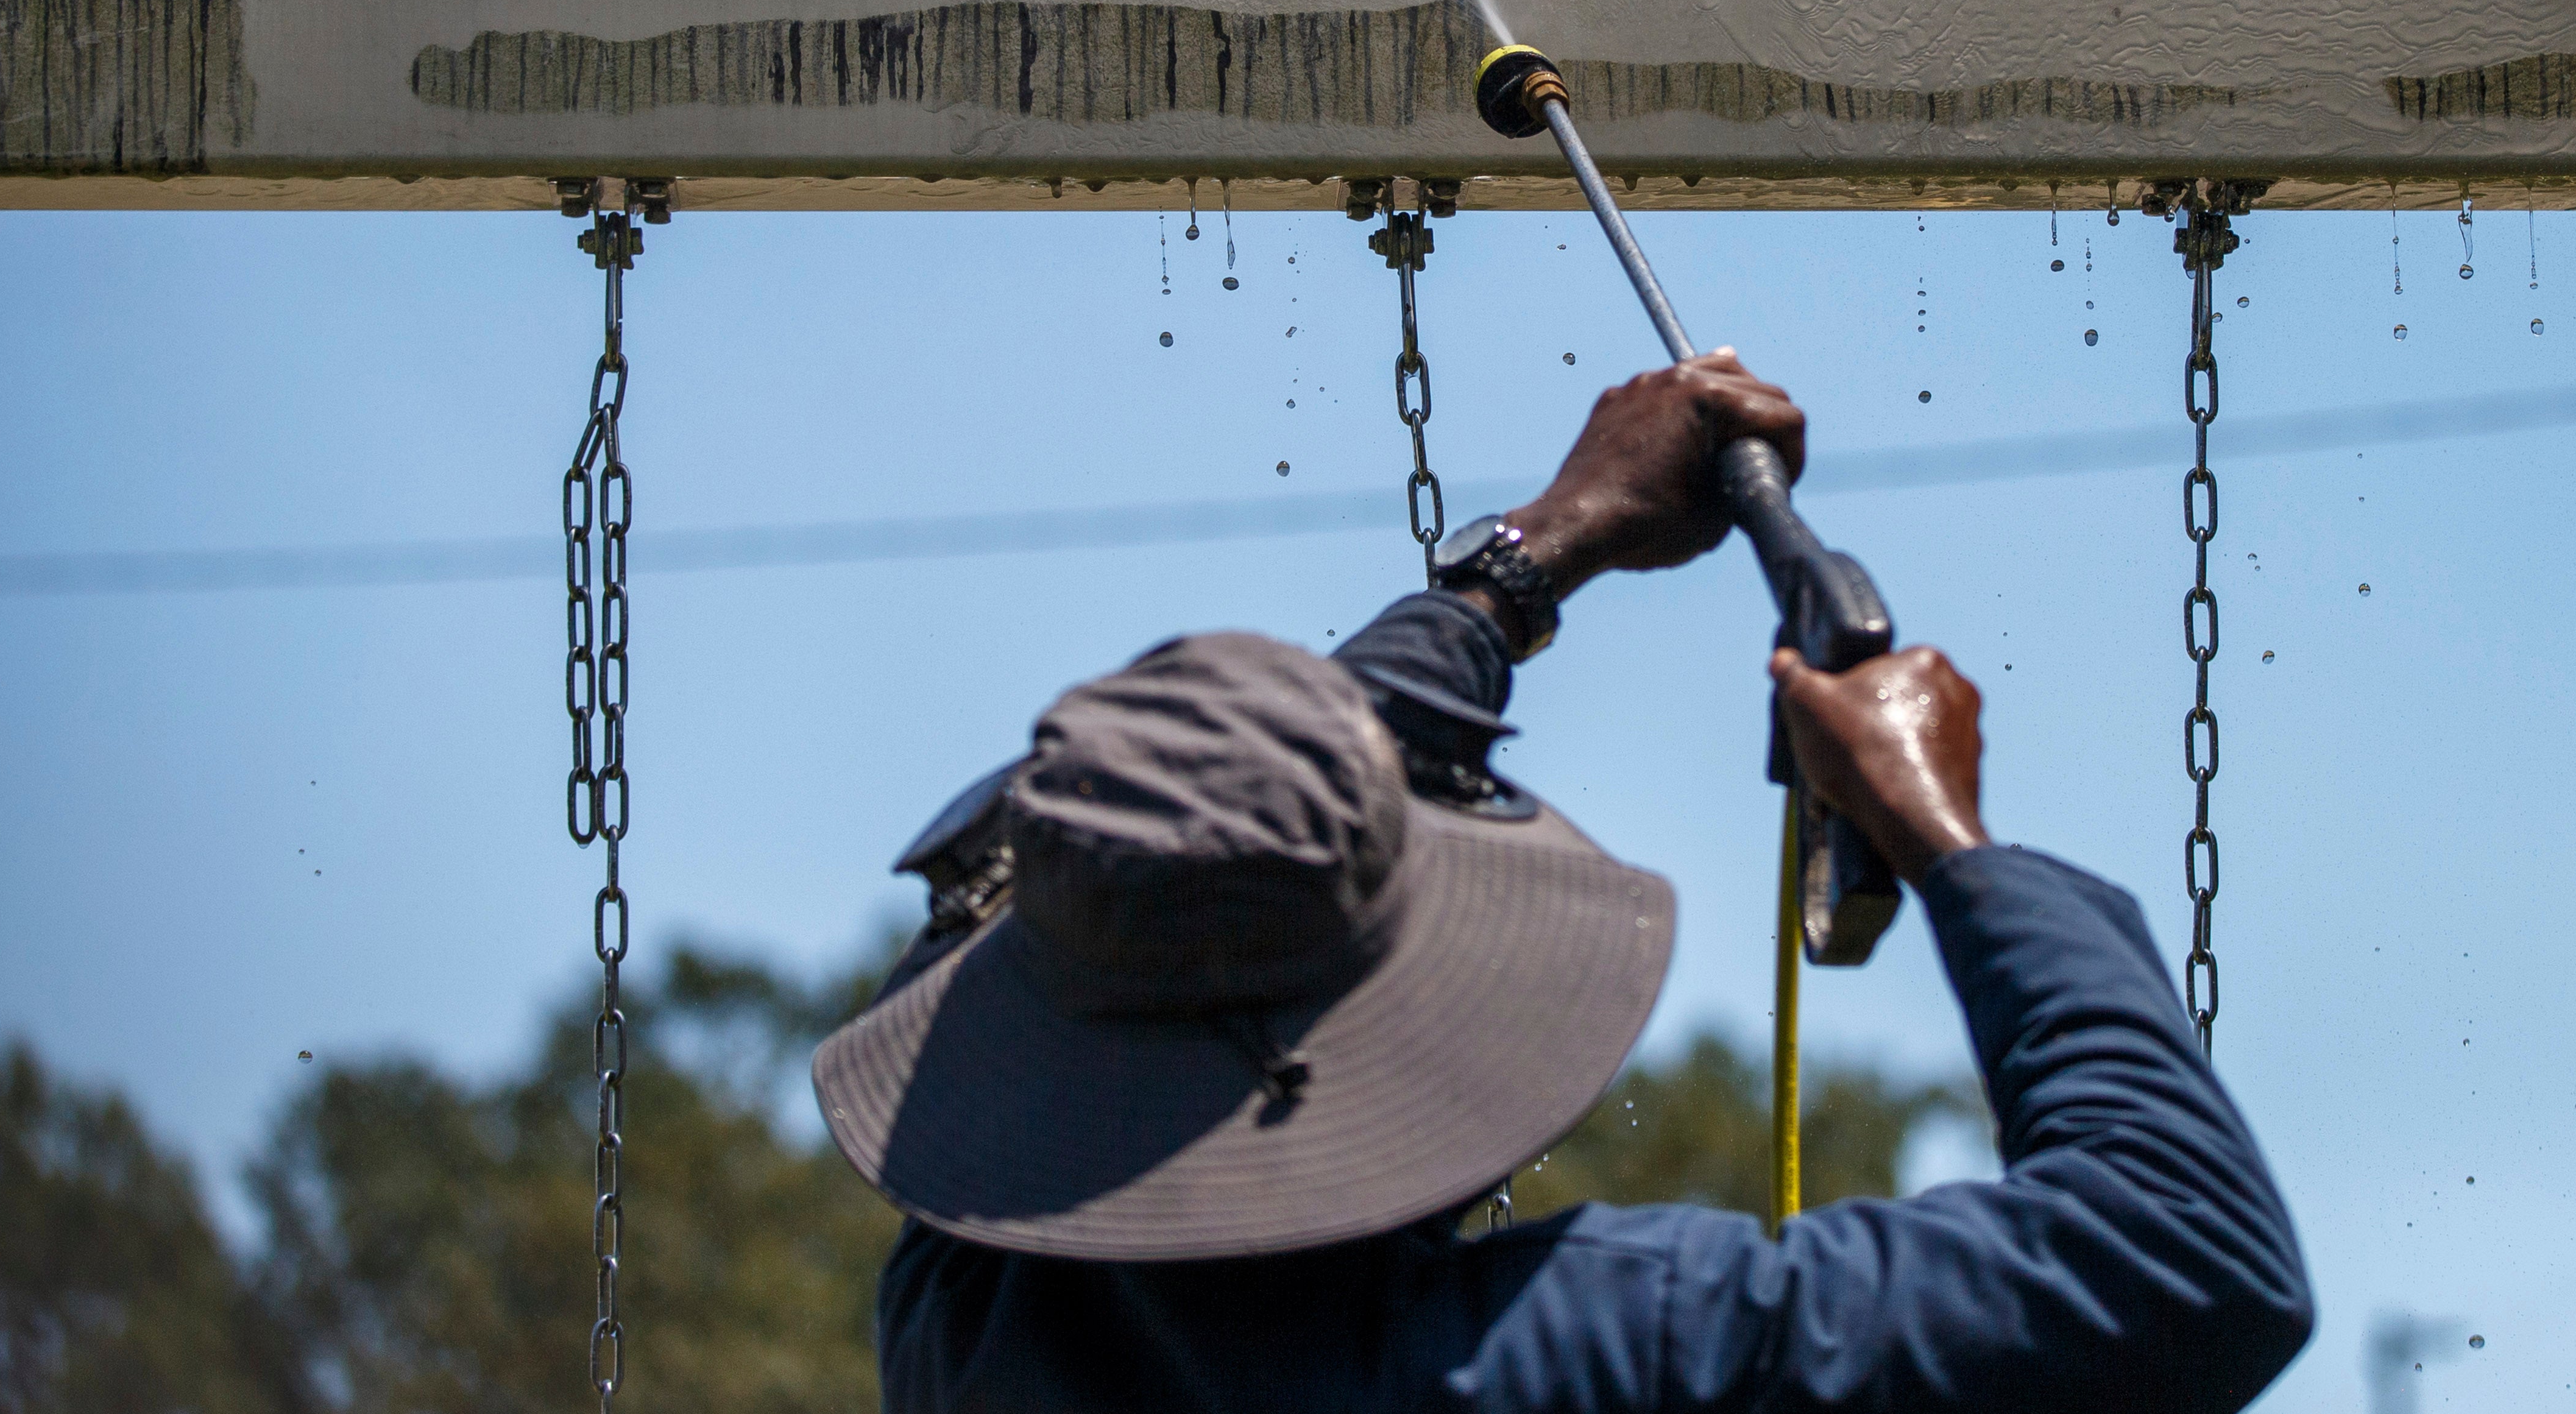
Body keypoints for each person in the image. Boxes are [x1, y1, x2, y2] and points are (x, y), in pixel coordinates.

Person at [813, 353, 2314, 1413]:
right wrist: (1947, 843)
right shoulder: (1569, 1356)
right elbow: (2185, 1262)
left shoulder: (969, 1322)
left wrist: (1529, 558)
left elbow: (1194, 850)